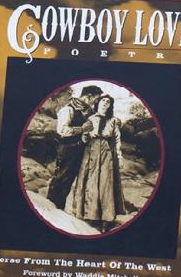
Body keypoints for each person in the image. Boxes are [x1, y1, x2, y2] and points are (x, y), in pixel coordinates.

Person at [65, 94, 126, 232]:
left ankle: (106, 219)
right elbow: (84, 138)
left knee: (106, 183)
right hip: (90, 151)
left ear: (110, 105)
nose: (105, 103)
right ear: (98, 103)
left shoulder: (114, 121)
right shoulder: (90, 119)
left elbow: (117, 140)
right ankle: (90, 216)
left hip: (105, 151)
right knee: (90, 183)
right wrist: (86, 135)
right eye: (103, 101)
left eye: (108, 102)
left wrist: (120, 157)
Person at [46, 85, 103, 209]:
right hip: (68, 148)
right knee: (62, 179)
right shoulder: (68, 109)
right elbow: (62, 130)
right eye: (96, 98)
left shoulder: (89, 111)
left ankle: (61, 210)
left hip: (81, 149)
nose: (96, 101)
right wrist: (82, 129)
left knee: (72, 181)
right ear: (89, 96)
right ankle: (52, 209)